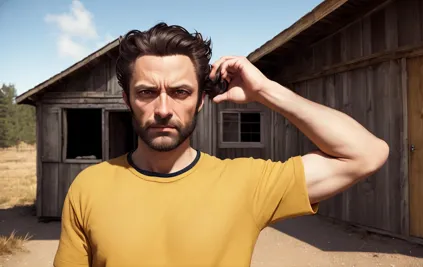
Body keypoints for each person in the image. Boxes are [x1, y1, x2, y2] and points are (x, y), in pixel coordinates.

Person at [53, 22, 389, 267]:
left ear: (201, 100)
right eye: (147, 92)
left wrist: (267, 91)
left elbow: (367, 154)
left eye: (181, 92)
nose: (164, 109)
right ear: (127, 99)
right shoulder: (90, 187)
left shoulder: (245, 182)